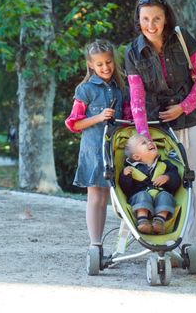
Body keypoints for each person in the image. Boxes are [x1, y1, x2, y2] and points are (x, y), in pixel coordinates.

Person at [125, 0, 196, 249]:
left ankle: (192, 243)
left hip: (193, 118)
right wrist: (144, 137)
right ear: (138, 20)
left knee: (193, 178)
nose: (151, 25)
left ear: (165, 19)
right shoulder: (132, 53)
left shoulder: (182, 38)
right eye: (145, 19)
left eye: (156, 19)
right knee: (160, 179)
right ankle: (163, 238)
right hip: (158, 125)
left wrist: (183, 107)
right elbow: (137, 99)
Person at [65, 39, 130, 259]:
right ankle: (96, 245)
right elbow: (74, 123)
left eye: (108, 62)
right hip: (94, 150)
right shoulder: (85, 90)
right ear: (91, 65)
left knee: (121, 196)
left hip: (117, 149)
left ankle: (122, 245)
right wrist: (98, 117)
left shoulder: (121, 89)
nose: (105, 67)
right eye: (100, 64)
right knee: (96, 197)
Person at [119, 134, 181, 235]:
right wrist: (125, 176)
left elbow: (176, 180)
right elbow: (126, 188)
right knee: (142, 195)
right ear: (136, 157)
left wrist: (168, 177)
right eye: (144, 143)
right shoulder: (131, 169)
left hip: (160, 194)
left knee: (166, 196)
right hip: (140, 198)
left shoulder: (165, 164)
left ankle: (160, 221)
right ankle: (142, 220)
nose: (150, 142)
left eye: (149, 140)